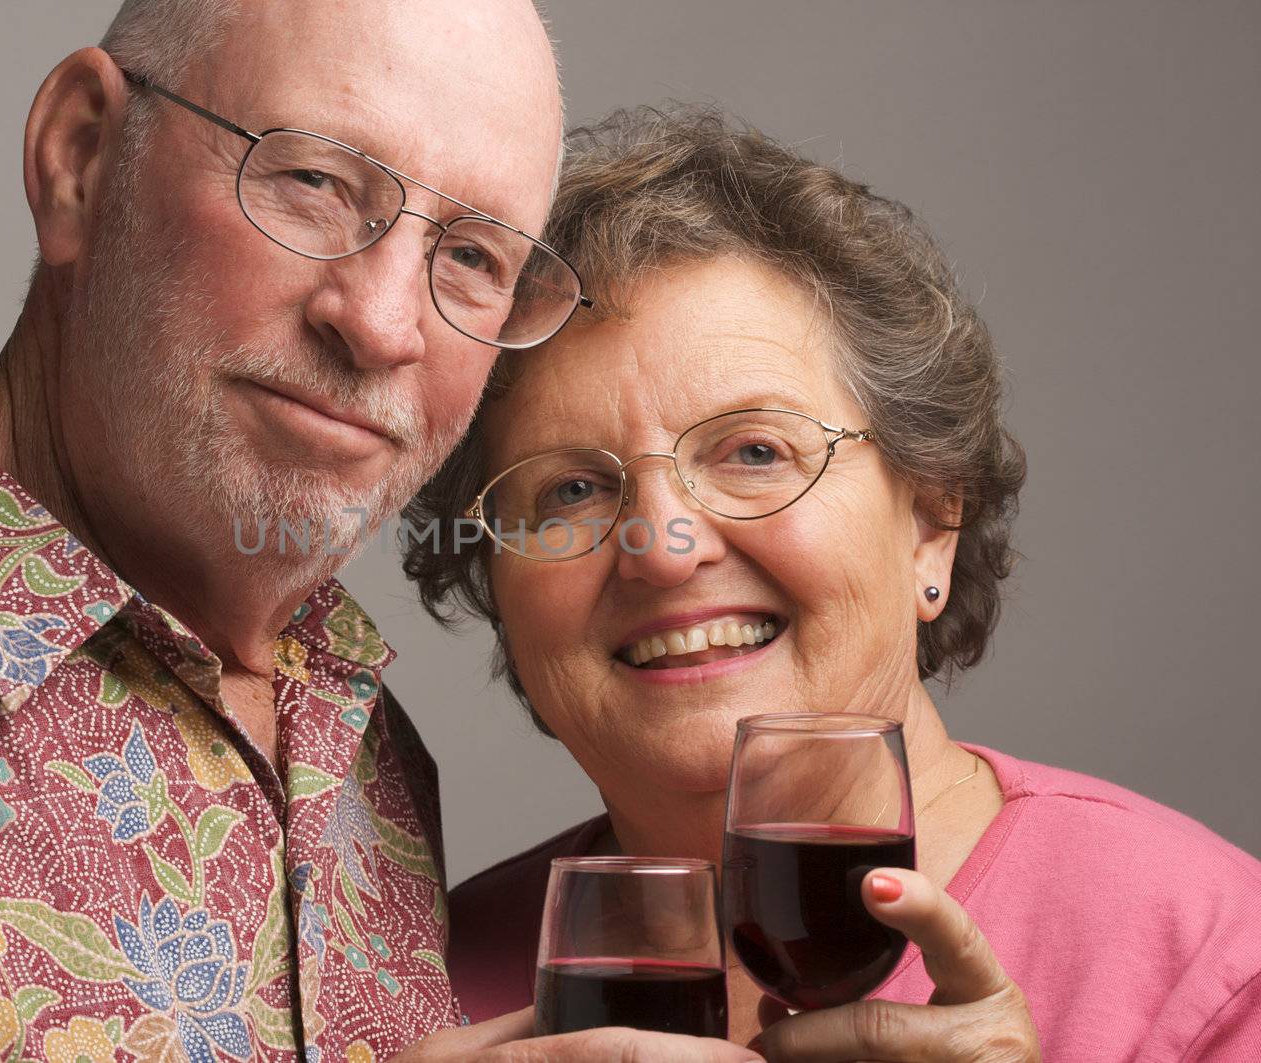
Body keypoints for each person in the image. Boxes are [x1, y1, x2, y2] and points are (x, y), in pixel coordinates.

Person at [0, 0, 627, 1058]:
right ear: (81, 158)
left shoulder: (365, 748)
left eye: (476, 258)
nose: (385, 324)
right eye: (313, 181)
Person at [404, 106, 1261, 1060]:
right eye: (570, 488)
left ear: (932, 522)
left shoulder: (1218, 967)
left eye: (756, 451)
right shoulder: (419, 983)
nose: (662, 545)